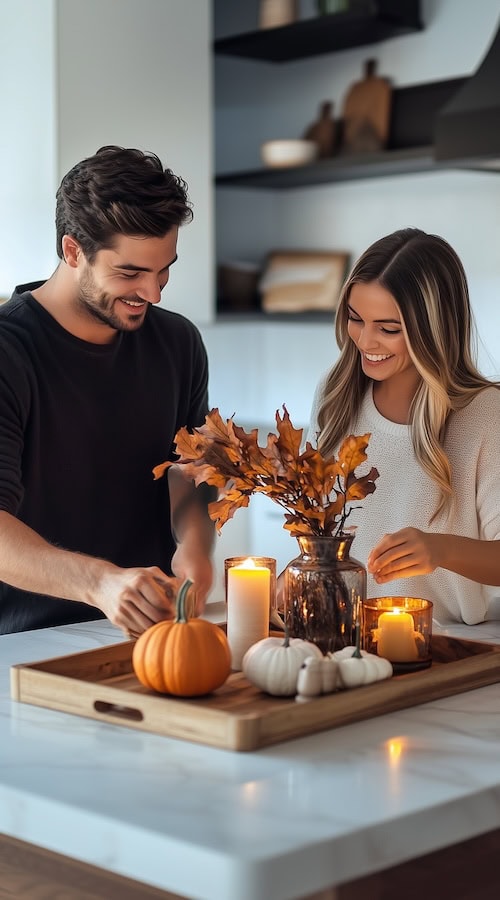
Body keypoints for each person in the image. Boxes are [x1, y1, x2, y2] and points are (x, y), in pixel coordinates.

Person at [0, 145, 215, 636]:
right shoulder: (9, 353)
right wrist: (101, 584)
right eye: (130, 273)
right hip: (24, 644)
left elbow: (191, 468)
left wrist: (196, 546)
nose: (154, 293)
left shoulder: (178, 342)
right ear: (73, 251)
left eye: (164, 269)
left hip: (151, 633)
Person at [308, 227, 500, 625]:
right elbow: (315, 530)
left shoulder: (485, 414)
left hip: (450, 650)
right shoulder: (335, 394)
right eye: (356, 319)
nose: (366, 341)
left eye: (389, 328)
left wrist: (439, 550)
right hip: (341, 637)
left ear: (435, 329)